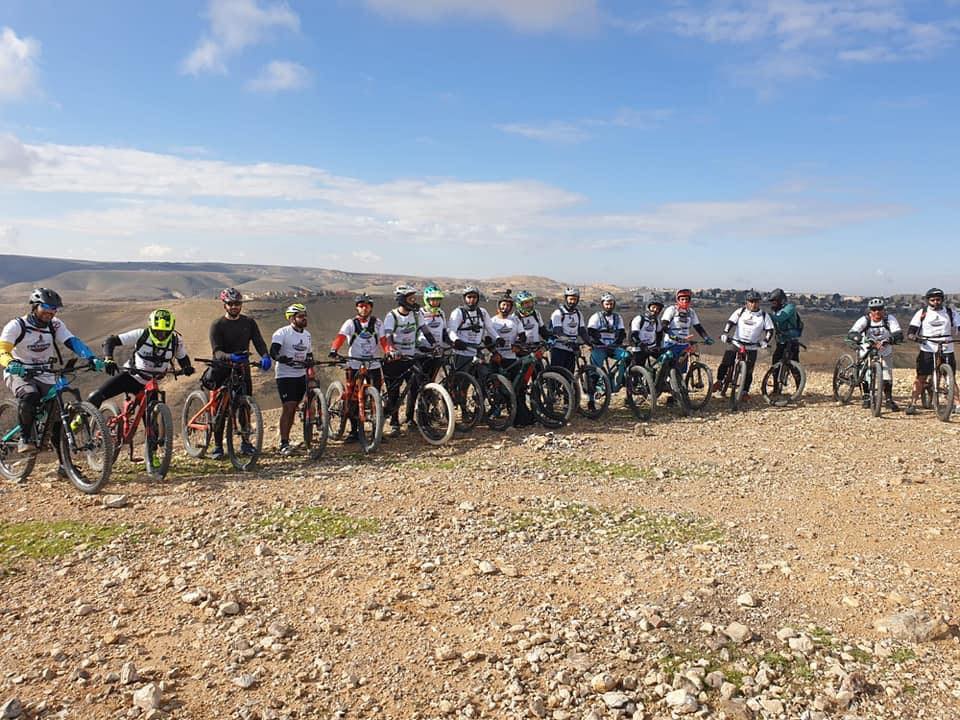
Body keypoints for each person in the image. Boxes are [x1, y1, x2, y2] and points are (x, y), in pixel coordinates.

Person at [0, 288, 106, 455]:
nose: (49, 312)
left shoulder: (55, 324)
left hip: (45, 372)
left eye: (54, 309)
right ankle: (25, 438)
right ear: (35, 306)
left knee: (57, 415)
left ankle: (64, 464)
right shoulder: (17, 326)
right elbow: (2, 349)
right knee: (30, 395)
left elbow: (72, 341)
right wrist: (11, 362)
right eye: (46, 308)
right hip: (19, 371)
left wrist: (91, 358)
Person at [205, 288, 271, 460]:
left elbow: (258, 342)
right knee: (220, 408)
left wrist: (265, 355)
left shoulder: (249, 322)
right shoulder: (217, 325)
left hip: (242, 368)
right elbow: (217, 351)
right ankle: (218, 446)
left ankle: (245, 442)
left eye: (237, 303)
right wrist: (230, 357)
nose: (234, 307)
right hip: (222, 368)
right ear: (224, 305)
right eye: (231, 304)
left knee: (244, 406)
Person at [87, 309, 195, 409]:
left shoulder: (176, 341)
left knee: (152, 422)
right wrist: (109, 359)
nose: (161, 336)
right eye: (157, 332)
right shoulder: (141, 335)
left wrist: (187, 367)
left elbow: (182, 357)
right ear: (151, 328)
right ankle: (80, 418)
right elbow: (110, 341)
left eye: (165, 332)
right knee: (96, 397)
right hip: (130, 377)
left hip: (151, 384)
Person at [329, 294, 389, 443]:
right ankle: (354, 431)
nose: (364, 308)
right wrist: (334, 349)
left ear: (371, 307)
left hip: (373, 364)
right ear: (357, 308)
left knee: (376, 398)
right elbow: (341, 337)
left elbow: (383, 340)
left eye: (367, 305)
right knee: (352, 397)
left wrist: (389, 351)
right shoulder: (350, 323)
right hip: (355, 364)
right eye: (361, 306)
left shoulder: (377, 323)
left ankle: (376, 432)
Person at [905, 288, 960, 415]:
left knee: (950, 377)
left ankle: (957, 404)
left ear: (942, 300)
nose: (935, 302)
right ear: (928, 301)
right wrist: (914, 337)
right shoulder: (922, 312)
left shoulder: (950, 312)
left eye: (938, 299)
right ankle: (913, 403)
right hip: (928, 347)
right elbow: (911, 330)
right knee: (921, 377)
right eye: (932, 300)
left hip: (946, 346)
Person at [382, 285, 426, 437]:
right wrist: (391, 349)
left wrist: (435, 345)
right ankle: (394, 423)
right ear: (402, 300)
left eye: (414, 298)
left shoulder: (416, 315)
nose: (413, 301)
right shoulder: (392, 316)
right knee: (394, 391)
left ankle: (409, 419)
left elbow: (425, 330)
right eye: (410, 298)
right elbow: (388, 335)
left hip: (411, 357)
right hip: (395, 359)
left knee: (414, 388)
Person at [269, 303, 313, 455]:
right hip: (285, 375)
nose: (304, 318)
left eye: (305, 315)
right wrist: (280, 358)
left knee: (296, 407)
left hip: (301, 374)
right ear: (292, 318)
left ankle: (298, 438)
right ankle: (284, 443)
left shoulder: (307, 335)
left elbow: (309, 354)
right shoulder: (282, 333)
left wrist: (310, 362)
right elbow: (273, 351)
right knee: (289, 407)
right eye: (300, 316)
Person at [713, 291, 774, 400]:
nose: (753, 304)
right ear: (747, 302)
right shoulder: (740, 311)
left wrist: (765, 341)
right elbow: (730, 323)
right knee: (726, 362)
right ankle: (719, 381)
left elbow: (770, 330)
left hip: (752, 346)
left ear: (759, 302)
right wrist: (725, 333)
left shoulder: (764, 315)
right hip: (737, 342)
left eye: (756, 302)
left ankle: (745, 391)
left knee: (749, 371)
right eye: (751, 301)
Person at [847, 298, 902, 411]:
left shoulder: (889, 319)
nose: (877, 312)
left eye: (880, 309)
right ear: (870, 310)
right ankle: (866, 396)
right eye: (874, 309)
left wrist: (891, 339)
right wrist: (858, 338)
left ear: (884, 309)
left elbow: (897, 333)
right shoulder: (865, 320)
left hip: (884, 348)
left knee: (887, 374)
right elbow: (853, 332)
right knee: (865, 372)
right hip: (867, 347)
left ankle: (888, 399)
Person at [447, 286, 498, 372]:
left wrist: (497, 337)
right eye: (469, 297)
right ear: (464, 298)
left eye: (474, 297)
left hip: (476, 351)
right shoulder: (458, 312)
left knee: (482, 376)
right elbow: (451, 330)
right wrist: (456, 340)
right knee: (460, 378)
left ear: (478, 298)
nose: (472, 299)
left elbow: (490, 328)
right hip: (462, 352)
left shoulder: (483, 312)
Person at [587, 293, 629, 385]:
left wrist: (617, 343)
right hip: (599, 348)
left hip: (612, 348)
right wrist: (598, 344)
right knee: (595, 372)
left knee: (627, 356)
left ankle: (620, 377)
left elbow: (621, 333)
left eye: (611, 304)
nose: (609, 306)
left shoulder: (618, 317)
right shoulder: (596, 317)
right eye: (607, 304)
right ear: (602, 304)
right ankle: (592, 390)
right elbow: (591, 333)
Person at [549, 287, 590, 372]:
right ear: (566, 299)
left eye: (575, 299)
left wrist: (590, 342)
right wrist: (569, 341)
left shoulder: (578, 314)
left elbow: (582, 331)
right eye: (570, 299)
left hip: (571, 350)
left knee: (569, 375)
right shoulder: (558, 313)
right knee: (557, 375)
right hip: (559, 349)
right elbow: (558, 331)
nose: (573, 302)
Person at [489, 291, 526, 374]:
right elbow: (487, 340)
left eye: (508, 305)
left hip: (511, 358)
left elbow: (523, 336)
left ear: (511, 307)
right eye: (503, 304)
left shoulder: (515, 320)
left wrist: (517, 345)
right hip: (497, 358)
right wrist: (494, 353)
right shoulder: (492, 321)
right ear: (499, 305)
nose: (505, 307)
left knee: (516, 380)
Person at [418, 284, 449, 380]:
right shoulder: (420, 313)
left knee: (432, 378)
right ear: (427, 300)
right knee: (421, 380)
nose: (436, 302)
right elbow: (423, 331)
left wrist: (452, 342)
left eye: (438, 300)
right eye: (433, 300)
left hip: (437, 351)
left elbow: (444, 331)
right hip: (424, 352)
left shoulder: (441, 313)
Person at [768, 288, 803, 367]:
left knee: (794, 366)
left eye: (774, 301)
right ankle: (776, 375)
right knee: (775, 363)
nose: (773, 304)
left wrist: (767, 315)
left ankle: (798, 375)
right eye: (772, 302)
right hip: (781, 341)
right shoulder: (776, 310)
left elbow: (780, 318)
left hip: (791, 340)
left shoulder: (790, 307)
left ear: (780, 300)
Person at [630, 299, 663, 368]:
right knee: (638, 368)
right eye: (653, 307)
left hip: (651, 347)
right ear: (648, 308)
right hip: (639, 348)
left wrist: (658, 345)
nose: (655, 310)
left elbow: (659, 334)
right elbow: (633, 335)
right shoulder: (639, 318)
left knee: (665, 359)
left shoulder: (657, 321)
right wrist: (640, 344)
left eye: (658, 309)